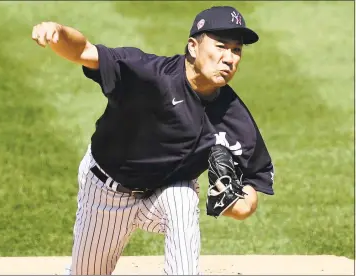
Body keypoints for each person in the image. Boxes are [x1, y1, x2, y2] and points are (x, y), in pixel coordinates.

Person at [32, 5, 275, 275]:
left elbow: (255, 177)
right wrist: (58, 32)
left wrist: (241, 206)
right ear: (193, 47)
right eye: (220, 46)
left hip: (165, 195)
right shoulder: (149, 75)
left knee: (182, 198)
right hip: (105, 191)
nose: (229, 58)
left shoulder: (234, 117)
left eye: (236, 50)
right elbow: (84, 51)